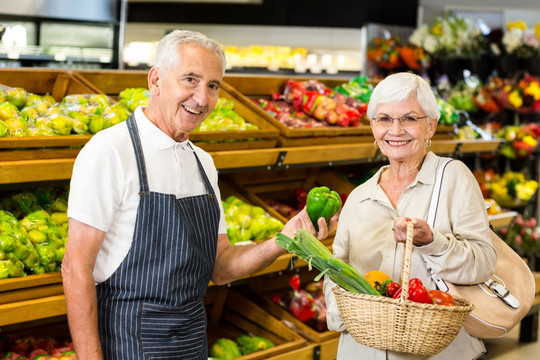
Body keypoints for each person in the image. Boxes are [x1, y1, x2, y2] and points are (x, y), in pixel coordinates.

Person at [62, 30, 335, 360]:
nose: (202, 99)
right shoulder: (111, 151)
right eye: (190, 80)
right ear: (156, 80)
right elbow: (76, 268)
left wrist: (285, 238)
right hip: (127, 343)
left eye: (213, 85)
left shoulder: (202, 163)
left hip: (191, 342)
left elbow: (220, 266)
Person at [323, 72, 497, 360]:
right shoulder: (359, 197)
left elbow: (484, 263)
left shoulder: (454, 178)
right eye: (384, 119)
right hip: (364, 351)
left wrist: (432, 242)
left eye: (408, 118)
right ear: (373, 127)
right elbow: (336, 269)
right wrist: (345, 316)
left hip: (439, 352)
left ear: (430, 126)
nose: (396, 129)